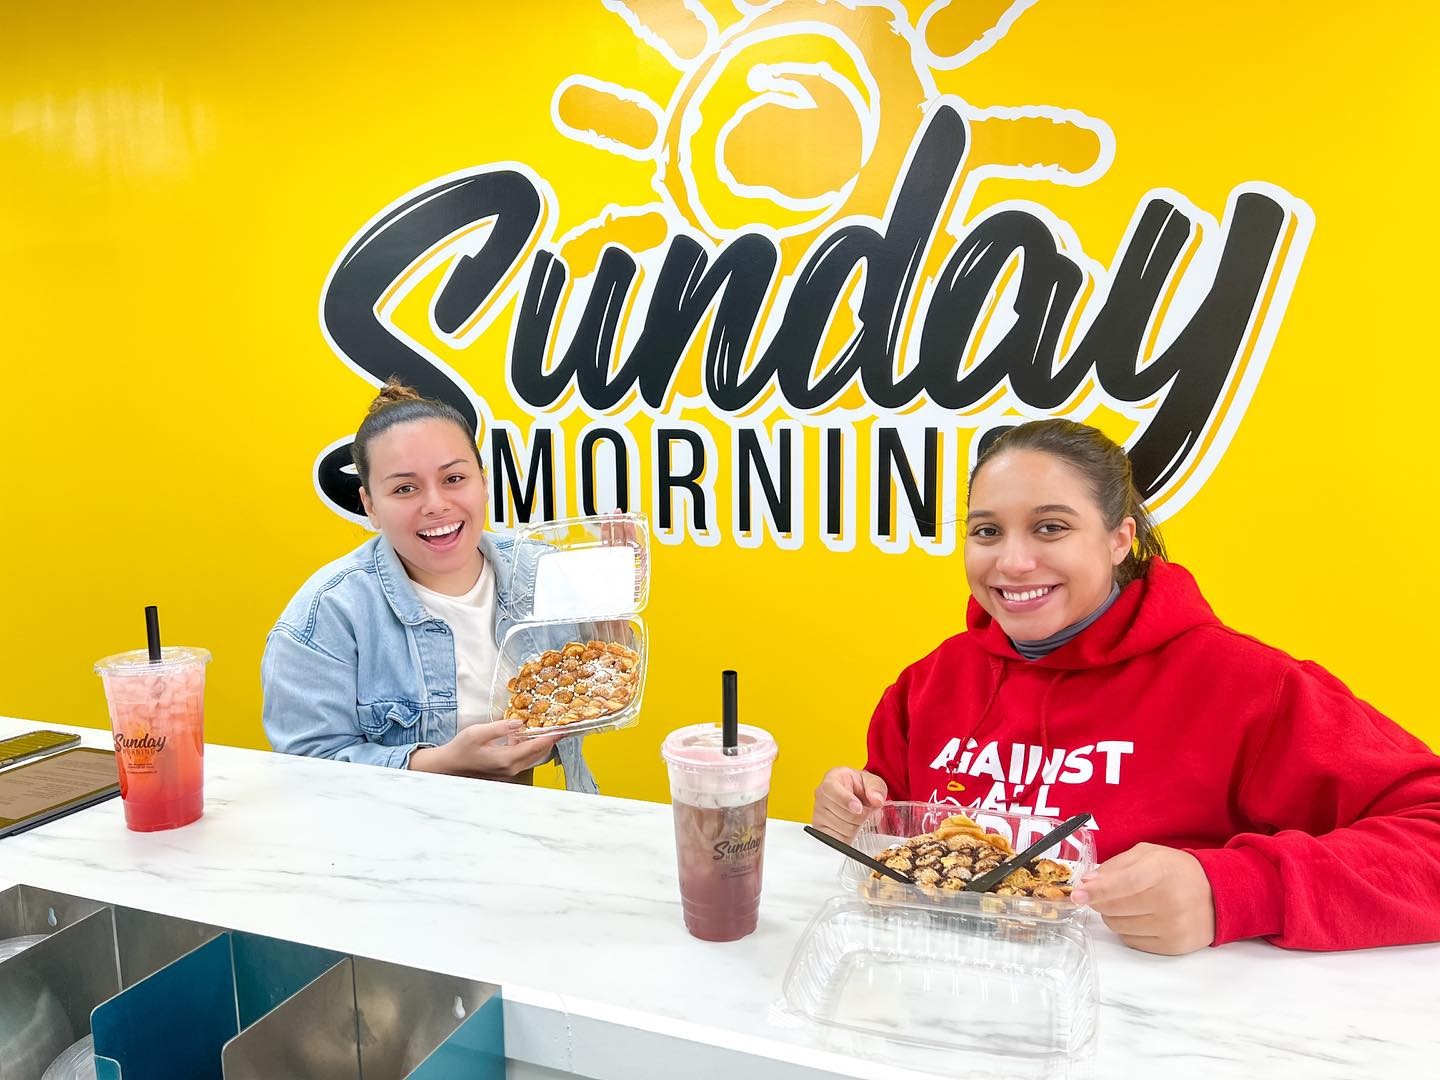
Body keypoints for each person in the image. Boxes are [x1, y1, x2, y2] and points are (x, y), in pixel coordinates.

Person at [812, 419, 1440, 954]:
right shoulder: (930, 683)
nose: (1012, 562)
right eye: (987, 531)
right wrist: (856, 814)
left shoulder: (1248, 685)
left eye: (1051, 527)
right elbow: (900, 833)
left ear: (1119, 539)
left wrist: (1233, 890)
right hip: (938, 1005)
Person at [263, 380, 597, 792]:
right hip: (387, 827)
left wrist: (613, 605)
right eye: (405, 488)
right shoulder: (326, 616)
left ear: (483, 483)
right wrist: (440, 764)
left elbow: (597, 683)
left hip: (535, 817)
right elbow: (306, 767)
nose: (436, 504)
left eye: (454, 478)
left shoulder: (541, 570)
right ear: (370, 505)